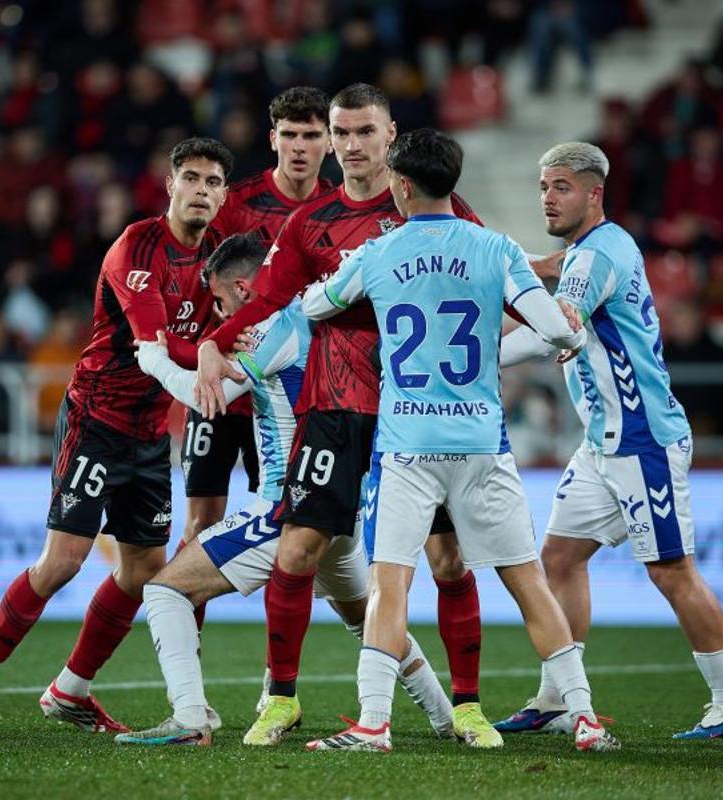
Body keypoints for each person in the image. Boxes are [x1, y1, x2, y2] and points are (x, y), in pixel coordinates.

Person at [192, 84, 493, 748]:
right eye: (342, 133)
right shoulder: (310, 224)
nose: (353, 145)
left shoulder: (438, 210)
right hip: (332, 408)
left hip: (418, 413)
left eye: (365, 132)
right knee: (297, 551)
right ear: (331, 138)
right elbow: (267, 299)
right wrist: (213, 342)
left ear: (390, 137)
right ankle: (280, 698)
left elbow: (485, 276)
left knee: (448, 561)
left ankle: (467, 707)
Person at [300, 128, 616, 754]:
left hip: (407, 446)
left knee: (392, 582)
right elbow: (554, 327)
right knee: (526, 579)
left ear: (404, 184)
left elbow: (315, 306)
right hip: (480, 444)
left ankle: (372, 723)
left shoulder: (378, 252)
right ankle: (584, 716)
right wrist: (572, 340)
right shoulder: (496, 247)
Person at [0, 137, 233, 737]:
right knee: (63, 561)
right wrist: (213, 351)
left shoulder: (218, 262)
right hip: (97, 420)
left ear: (223, 194)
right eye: (192, 178)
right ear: (169, 185)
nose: (201, 190)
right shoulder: (137, 246)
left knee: (144, 570)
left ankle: (70, 689)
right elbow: (156, 345)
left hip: (150, 435)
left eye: (213, 182)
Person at [116, 234, 453, 746]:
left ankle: (190, 719)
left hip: (288, 506)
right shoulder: (322, 317)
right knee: (369, 617)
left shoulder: (275, 326)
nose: (221, 316)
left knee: (165, 589)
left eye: (222, 302)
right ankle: (447, 717)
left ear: (244, 289)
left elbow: (206, 396)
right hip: (343, 504)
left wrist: (154, 359)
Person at [494, 142, 723, 739]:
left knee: (672, 571)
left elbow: (558, 326)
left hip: (642, 441)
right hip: (603, 442)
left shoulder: (598, 254)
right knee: (559, 560)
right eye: (543, 187)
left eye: (561, 187)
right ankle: (558, 698)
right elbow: (557, 275)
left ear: (595, 193)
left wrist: (480, 358)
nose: (547, 198)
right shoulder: (595, 250)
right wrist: (518, 263)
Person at [177, 87, 337, 620]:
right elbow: (198, 282)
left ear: (329, 143)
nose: (298, 146)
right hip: (228, 385)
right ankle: (190, 688)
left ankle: (277, 686)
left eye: (311, 135)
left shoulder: (338, 209)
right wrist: (211, 341)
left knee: (296, 544)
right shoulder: (237, 202)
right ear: (273, 139)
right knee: (200, 525)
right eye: (288, 135)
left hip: (295, 400)